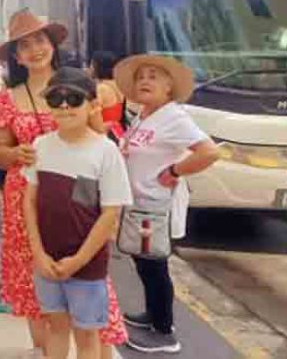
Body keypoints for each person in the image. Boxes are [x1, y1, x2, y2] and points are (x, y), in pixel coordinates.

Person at [0, 8, 127, 358]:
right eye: (24, 45)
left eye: (40, 40)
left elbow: (102, 140)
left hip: (77, 193)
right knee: (36, 285)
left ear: (52, 44)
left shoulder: (77, 84)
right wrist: (14, 155)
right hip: (27, 197)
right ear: (16, 56)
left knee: (88, 280)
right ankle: (43, 351)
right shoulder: (9, 96)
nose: (34, 49)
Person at [23, 67, 133, 359]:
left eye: (73, 98)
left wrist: (79, 260)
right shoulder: (41, 146)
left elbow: (109, 214)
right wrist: (38, 254)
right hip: (47, 262)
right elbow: (29, 201)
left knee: (87, 336)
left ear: (94, 105)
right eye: (55, 98)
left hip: (86, 266)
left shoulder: (105, 153)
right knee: (56, 327)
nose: (63, 106)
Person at [114, 55, 219, 354]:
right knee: (144, 264)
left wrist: (174, 172)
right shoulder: (145, 113)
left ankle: (164, 332)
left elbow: (209, 152)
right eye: (141, 77)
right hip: (139, 205)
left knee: (155, 266)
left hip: (155, 207)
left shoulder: (174, 117)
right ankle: (154, 315)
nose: (145, 81)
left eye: (154, 77)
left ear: (170, 88)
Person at [89, 51, 128, 141]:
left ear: (98, 67)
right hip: (118, 131)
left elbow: (93, 114)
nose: (89, 68)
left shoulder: (101, 88)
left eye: (91, 64)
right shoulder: (119, 85)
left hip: (105, 133)